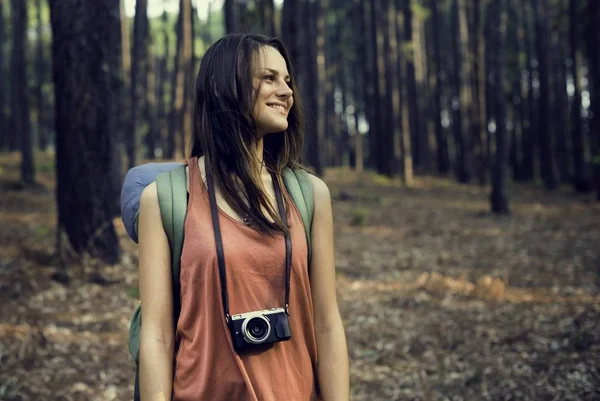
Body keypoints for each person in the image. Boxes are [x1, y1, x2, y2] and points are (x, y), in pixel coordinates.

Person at [136, 33, 349, 401]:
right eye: (269, 78)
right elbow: (155, 334)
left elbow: (327, 325)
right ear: (226, 86)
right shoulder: (167, 199)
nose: (287, 92)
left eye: (287, 80)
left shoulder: (310, 195)